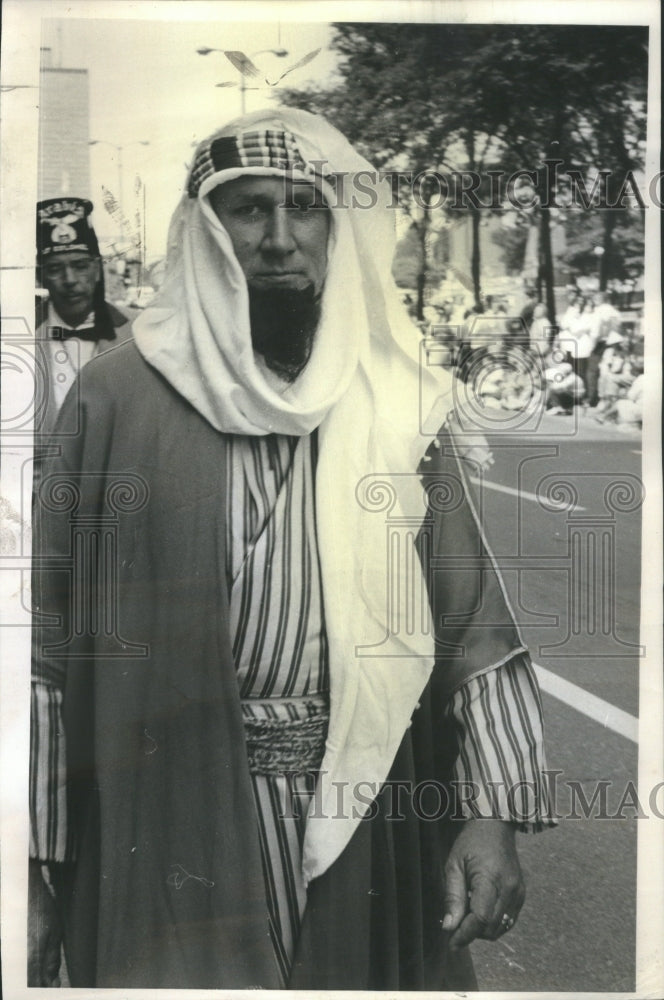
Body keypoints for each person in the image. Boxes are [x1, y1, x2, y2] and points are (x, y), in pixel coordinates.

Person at [30, 109, 553, 990]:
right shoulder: (114, 397)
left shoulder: (394, 401)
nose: (280, 240)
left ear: (335, 228)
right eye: (249, 211)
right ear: (205, 230)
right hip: (169, 811)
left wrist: (493, 814)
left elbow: (474, 627)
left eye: (305, 209)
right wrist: (24, 865)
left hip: (369, 813)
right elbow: (41, 646)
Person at [34, 198, 133, 439]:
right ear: (41, 277)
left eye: (80, 266)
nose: (70, 280)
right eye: (55, 269)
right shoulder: (19, 331)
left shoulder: (137, 332)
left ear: (97, 270)